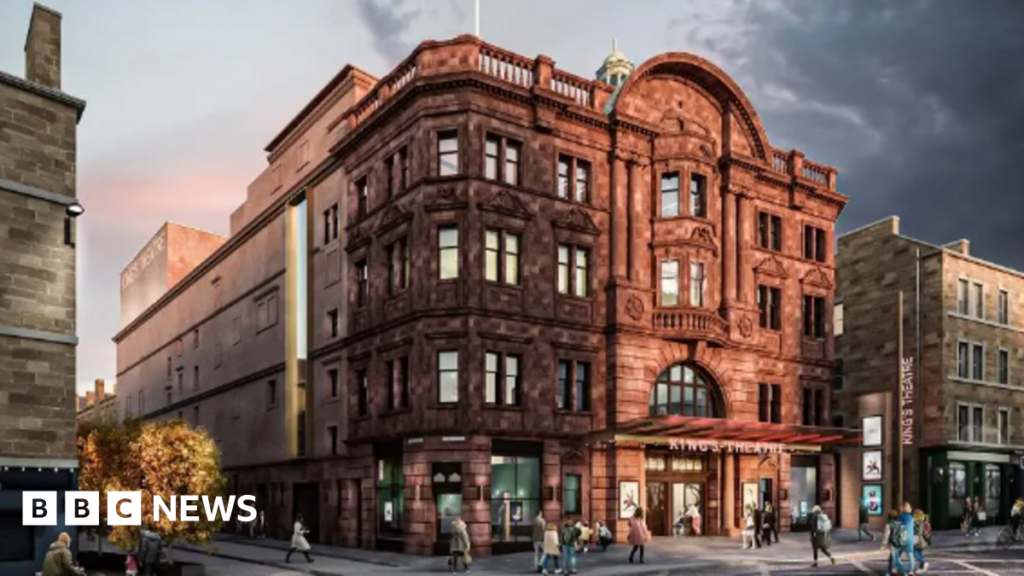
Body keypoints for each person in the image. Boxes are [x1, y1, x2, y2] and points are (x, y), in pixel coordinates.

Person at [891, 502, 916, 575]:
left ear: (903, 508)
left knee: (896, 555)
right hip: (910, 539)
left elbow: (898, 527)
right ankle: (911, 571)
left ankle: (903, 570)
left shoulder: (901, 517)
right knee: (910, 555)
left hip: (902, 538)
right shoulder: (911, 517)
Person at [881, 508, 900, 575]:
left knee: (892, 557)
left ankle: (890, 571)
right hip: (900, 542)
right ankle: (893, 570)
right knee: (894, 557)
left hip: (893, 543)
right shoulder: (899, 523)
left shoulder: (888, 524)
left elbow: (886, 536)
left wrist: (883, 545)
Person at [912, 508, 930, 573]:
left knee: (914, 553)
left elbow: (916, 532)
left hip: (916, 539)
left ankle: (924, 563)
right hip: (921, 540)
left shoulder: (916, 522)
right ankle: (922, 567)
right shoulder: (922, 521)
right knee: (920, 553)